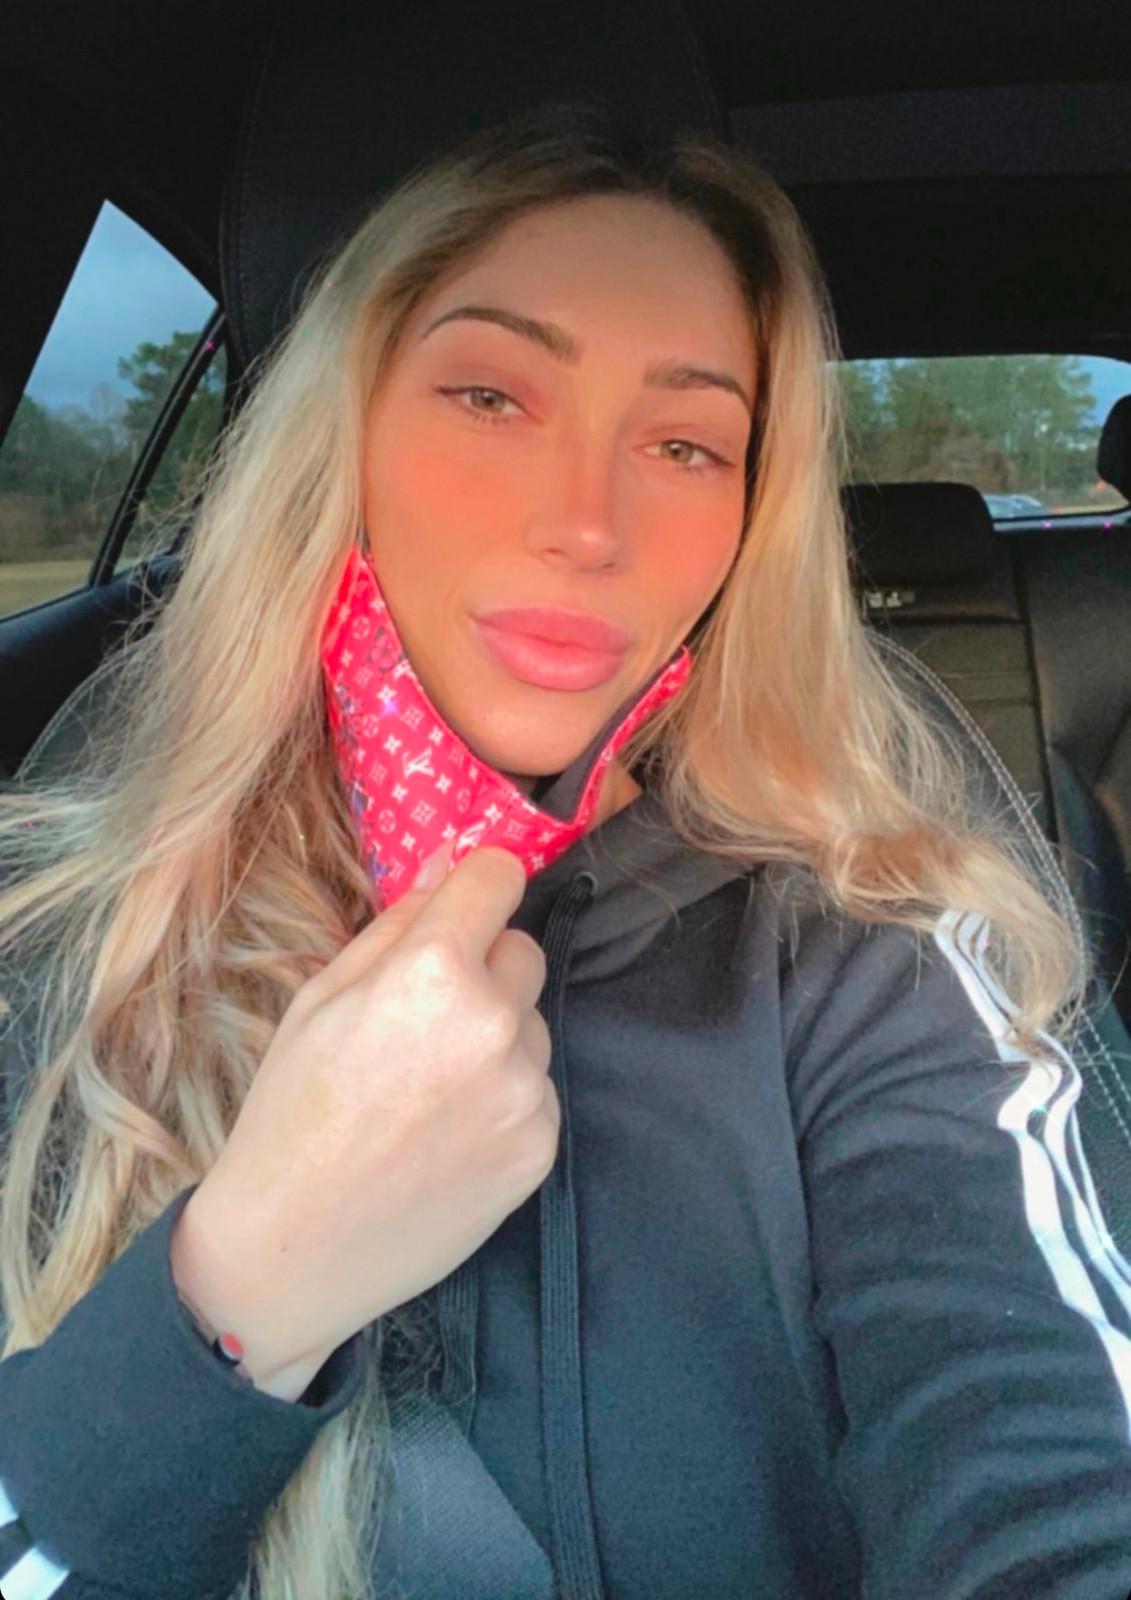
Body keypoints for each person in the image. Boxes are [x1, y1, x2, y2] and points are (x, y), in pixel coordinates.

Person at [1, 94, 1130, 1600]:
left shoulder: (880, 937)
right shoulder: (60, 922)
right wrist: (244, 1286)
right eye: (490, 396)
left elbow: (1043, 1446)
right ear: (344, 436)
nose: (588, 525)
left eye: (684, 441)